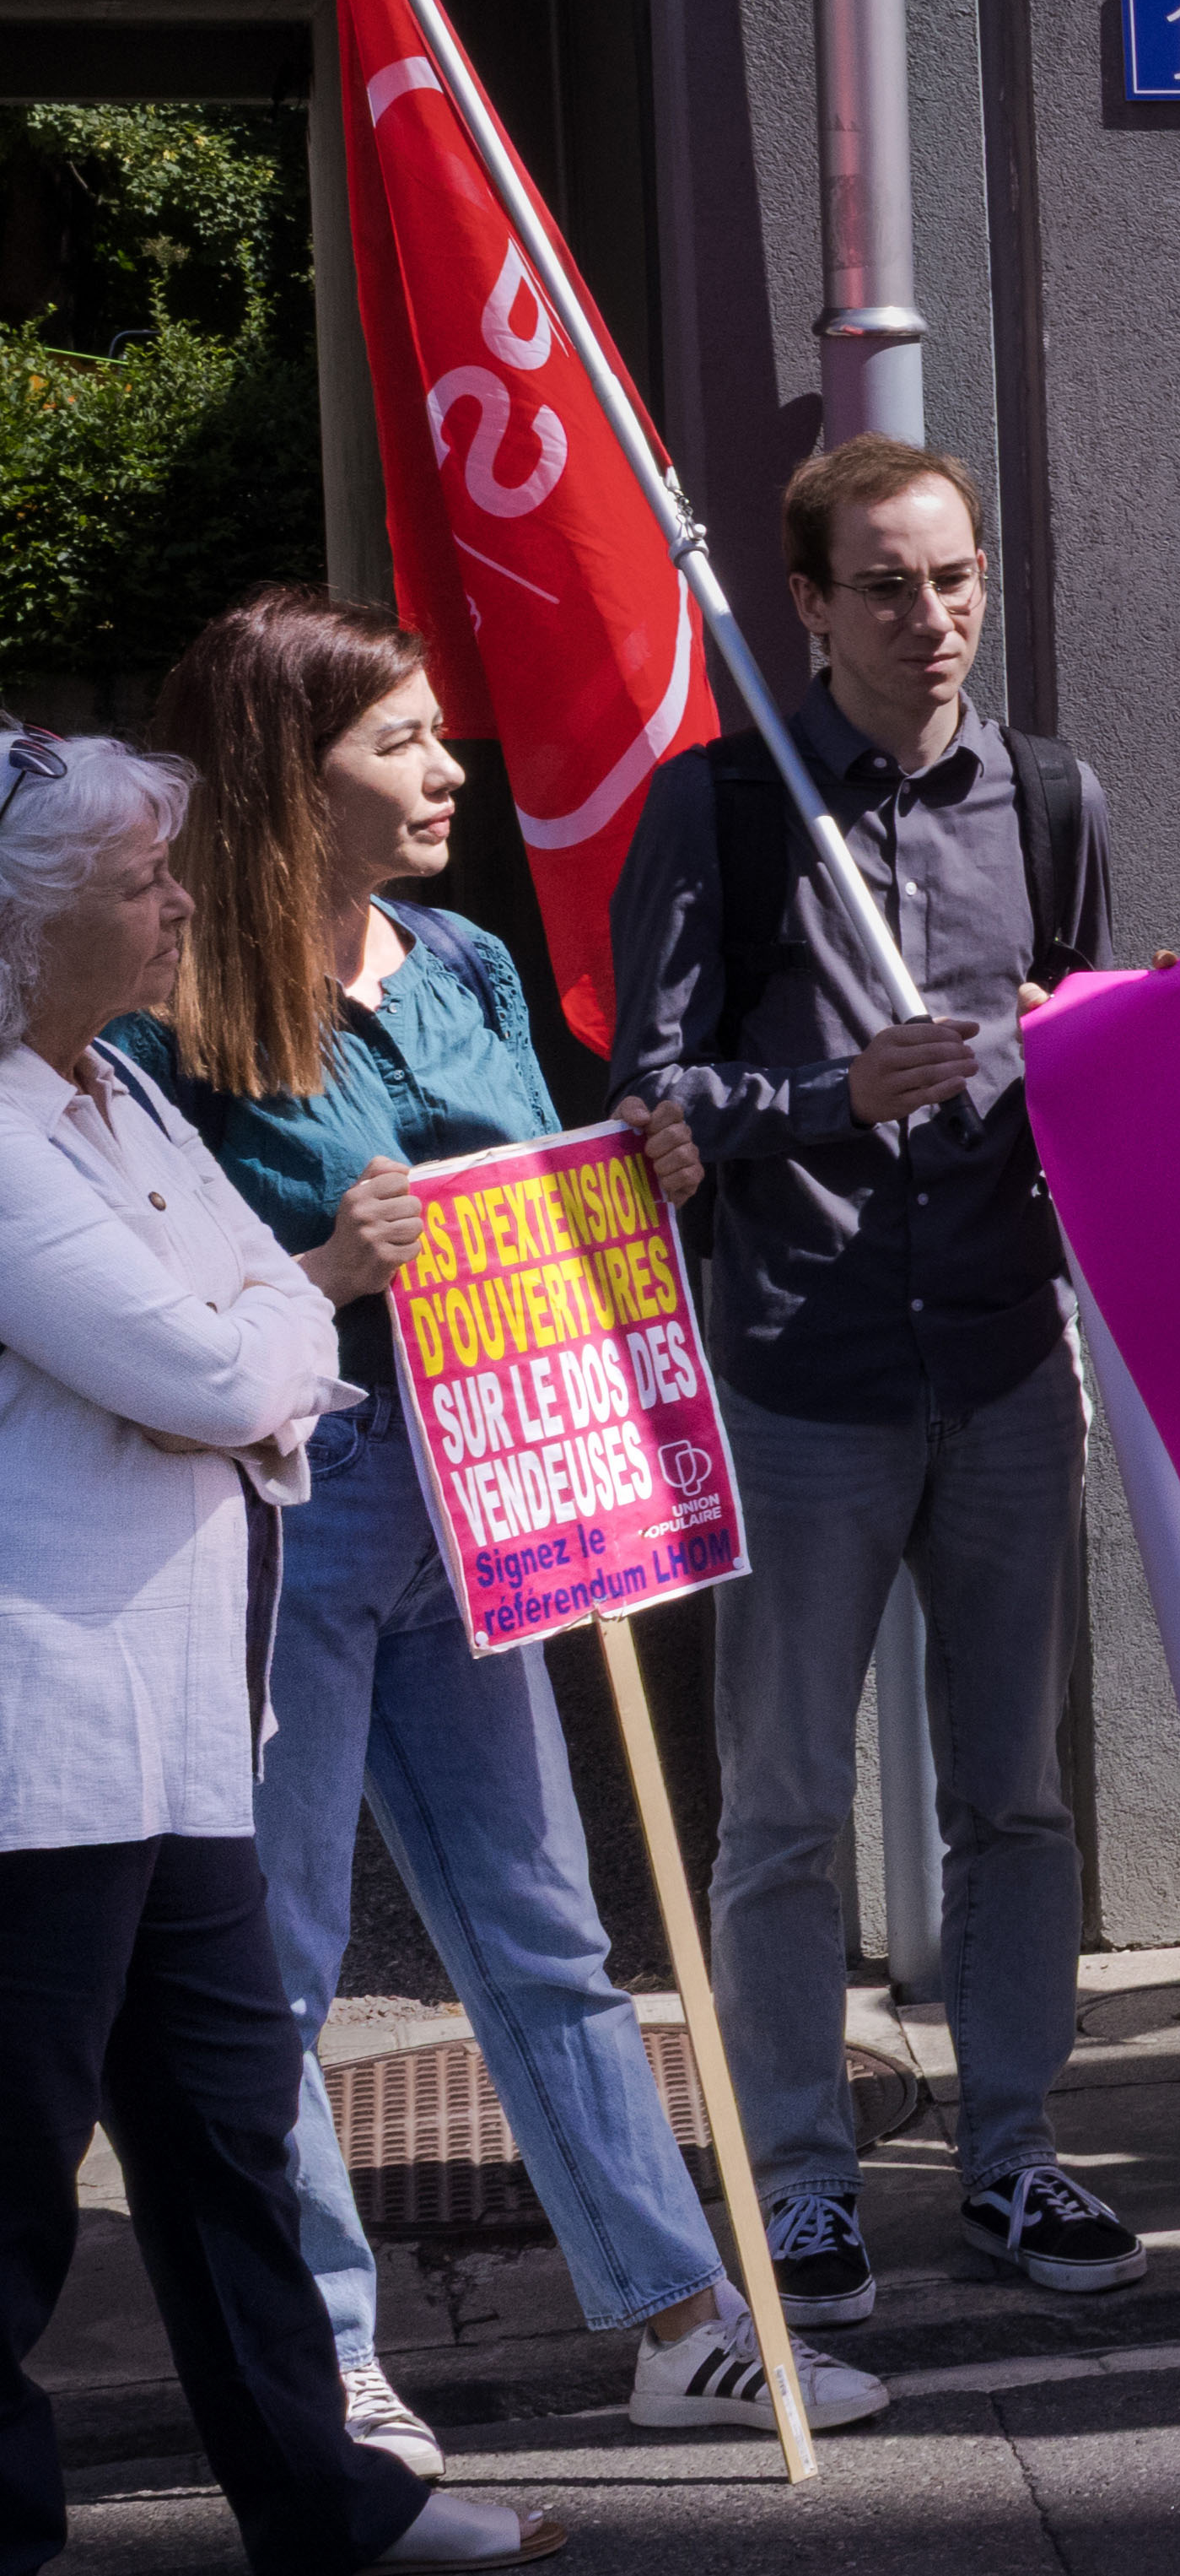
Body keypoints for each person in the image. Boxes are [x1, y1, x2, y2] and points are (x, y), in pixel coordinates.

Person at [116, 594, 886, 2456]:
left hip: (491, 1491)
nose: (446, 768)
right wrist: (321, 1264)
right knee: (282, 1960)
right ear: (287, 776)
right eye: (400, 741)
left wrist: (642, 1175)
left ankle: (680, 2322)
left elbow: (541, 1199)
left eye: (435, 732)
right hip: (292, 1509)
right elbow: (133, 1297)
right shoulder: (167, 1007)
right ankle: (325, 2363)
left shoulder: (460, 958)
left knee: (545, 1924)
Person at [0, 722, 553, 2573]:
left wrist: (266, 1338)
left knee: (230, 2138)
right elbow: (214, 1359)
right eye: (140, 882)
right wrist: (268, 1342)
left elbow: (260, 1296)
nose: (181, 905)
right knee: (14, 2183)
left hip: (179, 1728)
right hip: (37, 1750)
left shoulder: (116, 1092)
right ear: (23, 925)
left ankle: (329, 2503)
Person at [607, 438, 1136, 2325]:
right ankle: (802, 2183)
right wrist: (833, 1096)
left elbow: (1091, 1046)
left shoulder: (1051, 798)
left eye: (956, 577)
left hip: (1000, 1360)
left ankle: (1012, 2154)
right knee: (781, 1811)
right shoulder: (726, 805)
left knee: (1017, 1799)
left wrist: (1101, 1067)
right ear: (810, 604)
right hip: (804, 1367)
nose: (934, 617)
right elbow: (649, 1089)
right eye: (891, 585)